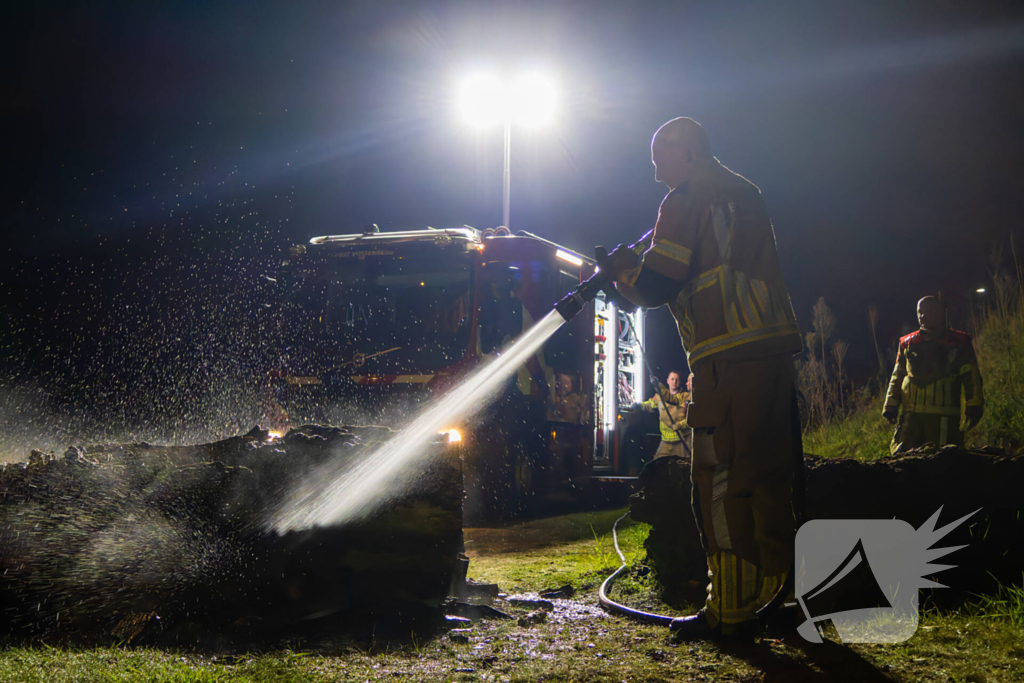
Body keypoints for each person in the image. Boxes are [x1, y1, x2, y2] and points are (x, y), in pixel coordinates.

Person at [604, 117, 804, 639]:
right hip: (771, 355)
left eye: (659, 161)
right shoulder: (745, 192)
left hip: (725, 357)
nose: (655, 176)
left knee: (720, 480)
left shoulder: (686, 198)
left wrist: (623, 274)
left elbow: (655, 284)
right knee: (770, 476)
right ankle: (776, 598)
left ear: (687, 153)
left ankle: (730, 612)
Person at [883, 296, 984, 454]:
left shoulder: (959, 341)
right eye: (919, 312)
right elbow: (897, 375)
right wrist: (890, 406)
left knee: (943, 462)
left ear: (939, 313)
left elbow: (971, 376)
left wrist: (974, 405)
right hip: (912, 418)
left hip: (944, 418)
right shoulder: (907, 343)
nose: (922, 316)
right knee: (902, 458)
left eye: (928, 311)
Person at [634, 369, 691, 459]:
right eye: (672, 379)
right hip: (665, 442)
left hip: (680, 441)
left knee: (682, 467)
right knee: (657, 465)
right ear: (668, 381)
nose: (674, 382)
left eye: (677, 380)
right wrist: (638, 405)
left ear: (680, 382)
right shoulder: (660, 397)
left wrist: (679, 425)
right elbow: (650, 405)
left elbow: (690, 419)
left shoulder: (685, 397)